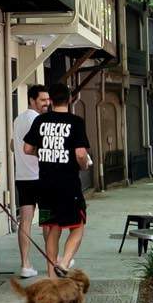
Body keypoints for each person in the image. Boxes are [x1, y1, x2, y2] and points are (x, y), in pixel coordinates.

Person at [22, 84, 91, 273]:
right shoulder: (76, 122)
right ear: (69, 99)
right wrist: (84, 165)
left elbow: (27, 149)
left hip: (44, 185)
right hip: (68, 185)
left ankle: (52, 275)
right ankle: (64, 262)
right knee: (78, 226)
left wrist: (46, 154)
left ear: (51, 100)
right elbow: (80, 154)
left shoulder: (40, 121)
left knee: (53, 228)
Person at [12, 85, 51, 278]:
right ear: (31, 100)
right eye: (42, 100)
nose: (47, 103)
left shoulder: (18, 119)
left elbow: (13, 146)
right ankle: (53, 260)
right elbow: (42, 146)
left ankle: (25, 265)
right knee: (47, 221)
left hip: (23, 177)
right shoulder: (38, 120)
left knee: (25, 221)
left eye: (48, 99)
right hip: (40, 177)